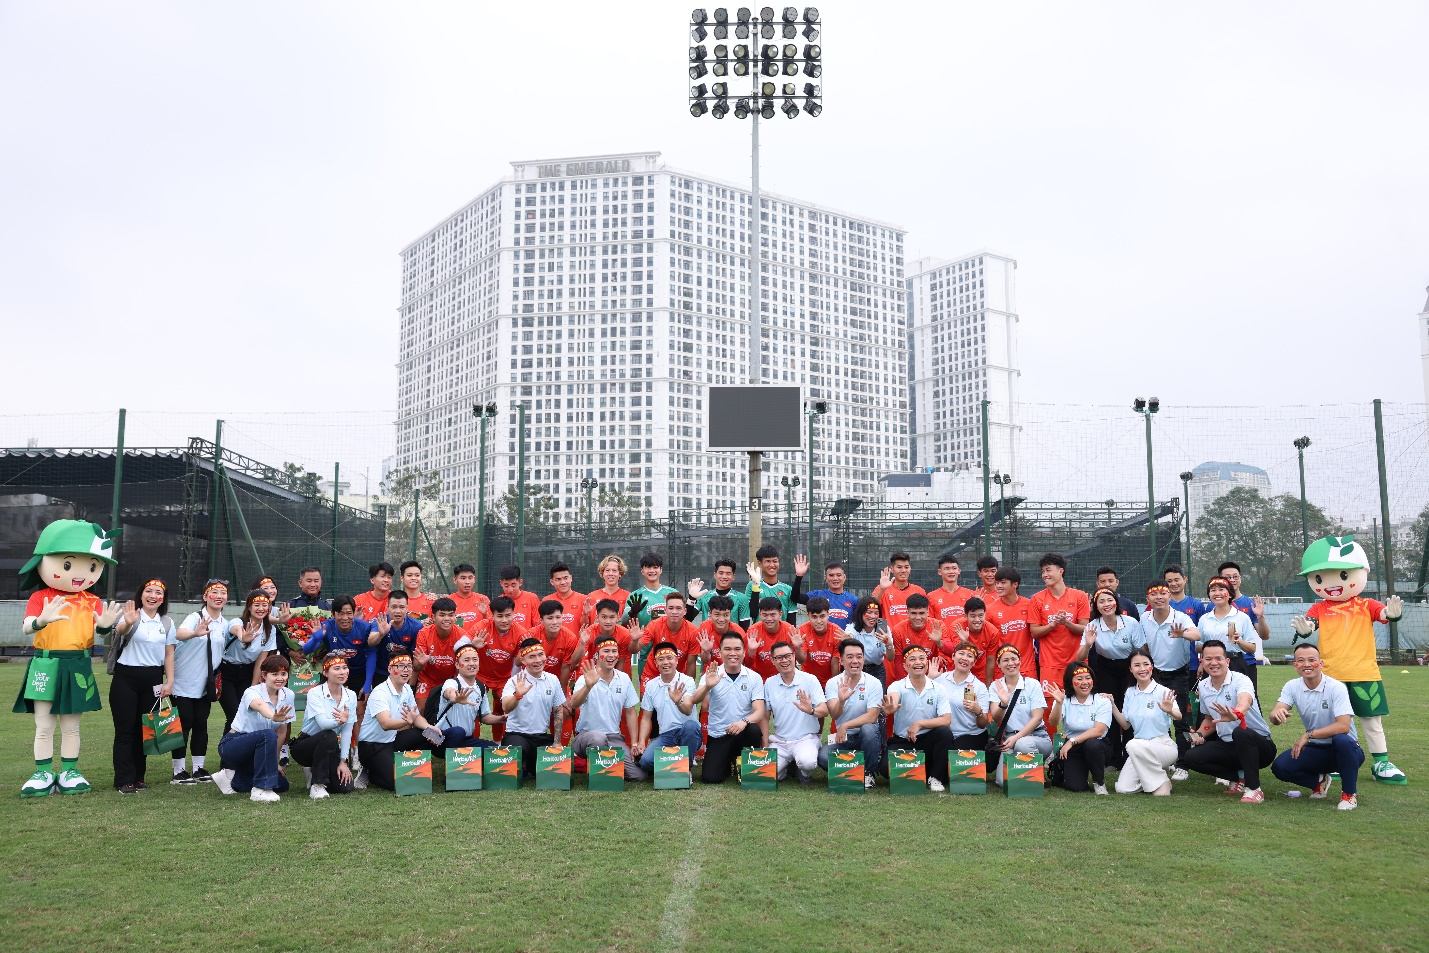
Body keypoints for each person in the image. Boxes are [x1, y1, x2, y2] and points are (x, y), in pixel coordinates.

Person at [1270, 643, 1365, 811]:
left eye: (1311, 660)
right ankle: (1319, 782)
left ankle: (1349, 795)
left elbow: (1344, 726)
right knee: (1280, 767)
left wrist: (1308, 735)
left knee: (1342, 740)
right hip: (1317, 748)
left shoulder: (1336, 687)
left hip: (1346, 750)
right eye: (1301, 660)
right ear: (1295, 665)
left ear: (1321, 664)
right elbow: (1276, 714)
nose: (1306, 664)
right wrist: (1276, 715)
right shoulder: (1292, 686)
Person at [1182, 640, 1276, 803]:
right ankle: (1238, 778)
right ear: (1202, 661)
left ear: (1227, 661)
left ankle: (1254, 789)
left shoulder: (1241, 679)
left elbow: (1245, 700)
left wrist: (1237, 713)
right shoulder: (1203, 686)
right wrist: (1198, 735)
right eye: (1208, 659)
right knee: (1191, 757)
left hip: (1259, 746)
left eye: (1218, 658)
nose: (1213, 663)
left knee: (1240, 732)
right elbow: (1209, 720)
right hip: (1229, 746)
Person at [108, 579, 176, 793]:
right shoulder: (131, 616)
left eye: (158, 592)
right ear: (141, 594)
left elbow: (169, 654)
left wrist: (169, 682)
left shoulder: (167, 623)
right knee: (125, 730)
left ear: (163, 599)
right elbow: (120, 630)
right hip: (126, 678)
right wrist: (128, 622)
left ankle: (138, 777)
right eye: (149, 591)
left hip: (153, 679)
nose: (153, 595)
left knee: (145, 730)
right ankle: (124, 779)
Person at [212, 655, 294, 802]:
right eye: (274, 674)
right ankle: (260, 790)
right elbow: (260, 705)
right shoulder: (252, 691)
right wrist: (273, 716)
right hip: (233, 744)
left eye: (283, 674)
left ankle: (233, 779)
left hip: (260, 750)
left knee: (282, 785)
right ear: (264, 675)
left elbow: (282, 732)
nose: (280, 678)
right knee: (268, 734)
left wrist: (273, 763)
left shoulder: (289, 695)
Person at [691, 630, 767, 784]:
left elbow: (759, 711)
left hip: (743, 732)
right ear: (720, 652)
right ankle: (730, 761)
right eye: (727, 649)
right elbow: (695, 699)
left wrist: (743, 722)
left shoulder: (754, 677)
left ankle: (743, 762)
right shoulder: (712, 674)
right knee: (711, 778)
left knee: (753, 730)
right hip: (719, 734)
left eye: (737, 649)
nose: (733, 653)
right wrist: (707, 686)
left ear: (744, 652)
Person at [171, 579, 227, 784]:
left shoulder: (224, 623)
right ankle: (178, 771)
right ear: (205, 597)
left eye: (223, 592)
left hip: (206, 684)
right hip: (184, 682)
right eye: (214, 592)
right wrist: (195, 632)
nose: (219, 596)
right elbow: (179, 634)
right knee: (184, 724)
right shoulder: (194, 617)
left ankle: (198, 768)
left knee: (201, 724)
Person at [355, 650, 436, 791]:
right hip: (372, 746)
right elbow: (385, 723)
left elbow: (415, 716)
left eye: (409, 666)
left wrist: (430, 728)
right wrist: (407, 722)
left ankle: (409, 764)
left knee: (427, 734)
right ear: (390, 669)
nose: (406, 670)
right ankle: (369, 771)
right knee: (397, 783)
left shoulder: (407, 689)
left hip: (391, 741)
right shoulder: (380, 692)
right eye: (401, 666)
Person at [1138, 580, 1200, 763]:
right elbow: (1143, 645)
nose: (1159, 597)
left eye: (1163, 593)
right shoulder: (1145, 618)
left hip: (1178, 674)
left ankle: (1183, 763)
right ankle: (1165, 759)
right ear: (1147, 598)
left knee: (1181, 720)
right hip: (1155, 675)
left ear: (1170, 596)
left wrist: (1182, 634)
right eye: (1154, 594)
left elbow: (1197, 635)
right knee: (1158, 719)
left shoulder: (1180, 617)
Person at [568, 634, 645, 781]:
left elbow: (630, 712)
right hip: (587, 736)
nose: (611, 655)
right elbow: (574, 704)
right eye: (606, 651)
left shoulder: (624, 678)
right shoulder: (586, 677)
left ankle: (609, 765)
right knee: (598, 738)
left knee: (638, 775)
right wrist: (588, 686)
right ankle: (599, 774)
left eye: (614, 651)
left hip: (613, 737)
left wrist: (634, 743)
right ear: (596, 655)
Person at [1075, 587, 1140, 761]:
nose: (1106, 604)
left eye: (1109, 600)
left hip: (1128, 668)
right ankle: (1113, 757)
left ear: (1116, 602)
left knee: (1128, 708)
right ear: (1096, 606)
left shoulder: (1130, 622)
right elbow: (1079, 658)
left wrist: (1137, 670)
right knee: (1109, 708)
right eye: (1101, 601)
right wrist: (1088, 644)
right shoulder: (1092, 625)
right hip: (1105, 668)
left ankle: (1130, 754)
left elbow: (1140, 650)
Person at [218, 590, 280, 766]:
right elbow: (235, 629)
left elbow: (261, 660)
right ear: (249, 607)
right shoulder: (238, 622)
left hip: (247, 672)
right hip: (226, 672)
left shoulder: (270, 630)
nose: (261, 608)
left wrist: (253, 688)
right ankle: (227, 763)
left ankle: (243, 760)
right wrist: (242, 636)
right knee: (234, 715)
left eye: (264, 605)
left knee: (248, 716)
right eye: (256, 605)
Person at [881, 644, 954, 792]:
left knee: (944, 732)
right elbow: (894, 697)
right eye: (912, 659)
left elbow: (946, 720)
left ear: (927, 663)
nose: (918, 662)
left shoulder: (938, 688)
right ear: (905, 666)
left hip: (928, 740)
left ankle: (935, 777)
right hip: (904, 740)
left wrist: (920, 723)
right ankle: (920, 769)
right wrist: (892, 705)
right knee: (884, 769)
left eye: (922, 658)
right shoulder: (897, 685)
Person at [1110, 648, 1181, 795]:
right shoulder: (1130, 693)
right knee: (1123, 789)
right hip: (1138, 748)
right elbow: (1126, 725)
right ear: (1130, 669)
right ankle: (1160, 777)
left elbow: (1178, 716)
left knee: (1132, 744)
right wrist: (1112, 705)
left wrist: (1169, 711)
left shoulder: (1163, 691)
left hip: (1163, 746)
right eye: (1137, 665)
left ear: (1152, 666)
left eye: (1146, 664)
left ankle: (1162, 779)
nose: (1142, 669)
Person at [819, 638, 885, 787]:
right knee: (823, 758)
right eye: (850, 657)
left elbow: (872, 716)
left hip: (865, 736)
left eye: (859, 656)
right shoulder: (833, 683)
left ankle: (868, 772)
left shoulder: (874, 683)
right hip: (843, 739)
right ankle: (856, 768)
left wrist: (845, 725)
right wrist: (841, 701)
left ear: (863, 659)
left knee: (868, 729)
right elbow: (834, 715)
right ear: (841, 661)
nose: (855, 661)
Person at [762, 639, 828, 785]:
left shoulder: (810, 679)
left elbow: (824, 710)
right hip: (780, 741)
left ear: (794, 656)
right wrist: (765, 744)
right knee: (764, 773)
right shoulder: (769, 683)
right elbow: (765, 717)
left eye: (788, 656)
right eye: (779, 657)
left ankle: (803, 773)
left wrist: (811, 710)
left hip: (805, 739)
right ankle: (785, 769)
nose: (784, 660)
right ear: (773, 660)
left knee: (807, 762)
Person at [292, 654, 356, 799]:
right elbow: (323, 724)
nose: (342, 672)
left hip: (330, 746)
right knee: (329, 734)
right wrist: (340, 721)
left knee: (345, 787)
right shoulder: (315, 692)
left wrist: (343, 761)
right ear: (325, 672)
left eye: (344, 668)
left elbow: (347, 731)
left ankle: (316, 771)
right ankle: (317, 784)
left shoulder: (351, 695)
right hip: (306, 745)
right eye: (336, 669)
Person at [501, 639, 567, 778]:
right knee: (516, 752)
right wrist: (517, 696)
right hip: (517, 735)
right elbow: (506, 707)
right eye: (532, 657)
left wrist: (557, 742)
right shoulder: (515, 681)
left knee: (554, 771)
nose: (538, 660)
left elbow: (558, 710)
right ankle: (523, 763)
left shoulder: (553, 679)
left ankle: (529, 766)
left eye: (541, 655)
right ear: (523, 660)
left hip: (541, 736)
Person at [633, 642, 700, 776]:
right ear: (656, 663)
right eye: (661, 659)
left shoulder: (687, 681)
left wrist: (678, 702)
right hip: (666, 735)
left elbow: (688, 710)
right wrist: (641, 742)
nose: (665, 662)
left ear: (676, 660)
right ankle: (676, 761)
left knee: (691, 726)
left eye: (669, 658)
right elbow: (646, 717)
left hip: (687, 732)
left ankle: (686, 770)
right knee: (645, 761)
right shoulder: (651, 685)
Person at [986, 644, 1053, 772]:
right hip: (1009, 739)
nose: (1010, 663)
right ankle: (1023, 773)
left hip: (1037, 737)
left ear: (1020, 661)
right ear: (998, 664)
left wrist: (1017, 738)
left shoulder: (1032, 684)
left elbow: (1037, 718)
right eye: (1005, 660)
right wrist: (1003, 704)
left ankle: (1035, 778)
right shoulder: (996, 686)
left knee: (1023, 745)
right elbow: (996, 717)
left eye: (1014, 659)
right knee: (1002, 780)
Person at [1029, 553, 1091, 690]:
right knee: (1051, 702)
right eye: (1043, 571)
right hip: (1049, 665)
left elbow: (1085, 629)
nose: (1045, 575)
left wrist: (1067, 623)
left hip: (1076, 663)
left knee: (1078, 700)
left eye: (1048, 570)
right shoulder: (1037, 599)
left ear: (1060, 571)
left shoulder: (1079, 596)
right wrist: (1052, 625)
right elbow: (1034, 632)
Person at [1048, 662, 1112, 794]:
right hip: (1074, 748)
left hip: (1098, 745)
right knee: (1076, 787)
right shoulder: (1064, 699)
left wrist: (1071, 741)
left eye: (1088, 678)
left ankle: (1099, 782)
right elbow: (1054, 722)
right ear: (1071, 682)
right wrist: (1059, 703)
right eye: (1079, 679)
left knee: (1092, 745)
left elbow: (1099, 730)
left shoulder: (1102, 700)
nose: (1085, 682)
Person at [468, 595, 524, 742]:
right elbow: (458, 647)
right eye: (500, 616)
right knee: (472, 706)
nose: (504, 620)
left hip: (505, 677)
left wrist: (511, 683)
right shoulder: (481, 627)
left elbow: (518, 663)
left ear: (514, 614)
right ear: (492, 615)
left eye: (508, 615)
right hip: (481, 675)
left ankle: (499, 743)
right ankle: (472, 744)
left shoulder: (520, 633)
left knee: (504, 708)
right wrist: (472, 645)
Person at [300, 595, 380, 698]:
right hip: (334, 673)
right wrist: (315, 638)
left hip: (358, 673)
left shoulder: (364, 627)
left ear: (354, 612)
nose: (345, 618)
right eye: (340, 614)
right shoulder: (326, 627)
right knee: (331, 705)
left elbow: (371, 653)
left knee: (360, 706)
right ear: (333, 614)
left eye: (349, 613)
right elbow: (306, 650)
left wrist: (368, 683)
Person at [1197, 576, 1262, 700]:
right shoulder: (1204, 619)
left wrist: (1239, 641)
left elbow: (1252, 648)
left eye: (1221, 589)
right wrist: (1214, 646)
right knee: (1212, 701)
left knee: (1239, 701)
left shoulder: (1242, 617)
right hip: (1212, 664)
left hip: (1236, 663)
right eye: (1213, 590)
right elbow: (1198, 647)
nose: (1217, 593)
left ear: (1230, 594)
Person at [432, 645, 504, 750]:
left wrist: (501, 719)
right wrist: (455, 698)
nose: (472, 663)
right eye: (466, 660)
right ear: (457, 665)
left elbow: (484, 716)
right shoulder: (451, 682)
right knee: (458, 731)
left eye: (475, 660)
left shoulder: (480, 687)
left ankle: (463, 754)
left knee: (493, 748)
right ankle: (454, 757)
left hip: (465, 739)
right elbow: (449, 692)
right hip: (440, 737)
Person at [929, 639, 991, 753]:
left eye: (970, 656)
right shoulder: (940, 679)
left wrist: (978, 711)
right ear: (953, 656)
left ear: (974, 662)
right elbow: (924, 704)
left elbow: (982, 724)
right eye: (961, 653)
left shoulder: (979, 686)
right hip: (944, 733)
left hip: (970, 734)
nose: (965, 658)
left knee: (953, 754)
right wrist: (929, 679)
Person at [635, 591, 700, 690]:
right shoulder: (655, 625)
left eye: (678, 608)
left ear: (685, 611)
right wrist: (634, 640)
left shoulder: (693, 632)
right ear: (665, 610)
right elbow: (635, 649)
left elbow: (691, 664)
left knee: (681, 699)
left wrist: (688, 687)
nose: (674, 612)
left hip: (677, 674)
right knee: (645, 699)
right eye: (671, 608)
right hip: (653, 672)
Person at [986, 568, 1037, 680]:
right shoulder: (989, 610)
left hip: (1026, 667)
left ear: (1015, 584)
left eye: (1003, 582)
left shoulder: (1029, 605)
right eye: (997, 583)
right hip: (1002, 668)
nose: (998, 586)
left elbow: (1037, 629)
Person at [413, 597, 464, 706]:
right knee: (421, 709)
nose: (447, 619)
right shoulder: (424, 633)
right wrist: (420, 663)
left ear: (455, 617)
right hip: (427, 679)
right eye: (442, 615)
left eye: (451, 615)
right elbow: (416, 667)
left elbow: (462, 668)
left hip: (451, 680)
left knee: (451, 710)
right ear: (433, 617)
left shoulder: (461, 636)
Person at [886, 593, 944, 683]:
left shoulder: (937, 625)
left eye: (921, 613)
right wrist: (904, 684)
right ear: (907, 613)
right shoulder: (898, 630)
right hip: (910, 679)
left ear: (928, 612)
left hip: (934, 676)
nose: (918, 617)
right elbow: (899, 661)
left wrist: (939, 642)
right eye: (913, 613)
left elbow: (951, 652)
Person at [791, 557, 859, 631]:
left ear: (844, 577)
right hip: (820, 638)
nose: (835, 578)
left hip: (843, 638)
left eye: (839, 575)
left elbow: (859, 623)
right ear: (825, 578)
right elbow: (795, 598)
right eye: (831, 575)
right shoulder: (817, 595)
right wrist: (799, 576)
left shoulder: (853, 600)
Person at [371, 590, 422, 686]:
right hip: (382, 671)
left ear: (407, 608)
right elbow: (371, 642)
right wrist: (380, 634)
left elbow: (416, 658)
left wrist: (411, 685)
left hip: (405, 672)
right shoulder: (380, 621)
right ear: (387, 607)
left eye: (402, 607)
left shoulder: (416, 627)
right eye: (394, 607)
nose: (398, 611)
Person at [745, 596, 799, 681]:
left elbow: (799, 661)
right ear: (760, 614)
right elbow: (747, 664)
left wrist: (798, 647)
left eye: (773, 614)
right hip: (760, 679)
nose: (769, 619)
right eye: (765, 615)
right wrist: (751, 650)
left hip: (784, 678)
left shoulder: (789, 630)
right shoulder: (753, 631)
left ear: (780, 614)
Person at [532, 598, 583, 688]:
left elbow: (565, 668)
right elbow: (521, 663)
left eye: (558, 617)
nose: (555, 622)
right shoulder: (532, 635)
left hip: (557, 681)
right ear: (541, 620)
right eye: (550, 618)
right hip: (534, 680)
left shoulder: (570, 638)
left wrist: (562, 693)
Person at [1215, 561, 1270, 644]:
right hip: (1220, 651)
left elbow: (1265, 636)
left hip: (1245, 652)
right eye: (1227, 577)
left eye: (1235, 577)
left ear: (1240, 579)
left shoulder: (1251, 605)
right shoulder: (1213, 605)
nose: (1232, 580)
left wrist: (1260, 617)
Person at [948, 596, 1000, 683]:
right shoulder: (957, 627)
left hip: (980, 672)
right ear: (965, 616)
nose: (977, 620)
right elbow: (959, 656)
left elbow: (990, 660)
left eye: (980, 615)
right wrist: (964, 642)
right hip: (958, 669)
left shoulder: (993, 632)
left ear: (985, 614)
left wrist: (988, 684)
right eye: (973, 616)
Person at [689, 558, 753, 627]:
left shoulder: (742, 598)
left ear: (733, 577)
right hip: (707, 634)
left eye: (728, 574)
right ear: (715, 575)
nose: (724, 576)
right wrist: (691, 598)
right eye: (721, 573)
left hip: (732, 634)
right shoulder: (704, 597)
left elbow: (744, 629)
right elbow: (688, 618)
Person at [845, 596, 892, 688]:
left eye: (876, 613)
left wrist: (888, 644)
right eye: (869, 612)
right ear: (861, 613)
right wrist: (848, 639)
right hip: (856, 669)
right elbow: (849, 637)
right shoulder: (853, 627)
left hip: (877, 670)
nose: (873, 616)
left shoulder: (883, 628)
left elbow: (891, 658)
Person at [744, 545, 796, 625]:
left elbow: (792, 621)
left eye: (775, 561)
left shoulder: (788, 589)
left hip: (782, 632)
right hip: (760, 632)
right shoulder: (752, 585)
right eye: (768, 561)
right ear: (760, 563)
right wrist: (756, 585)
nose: (772, 565)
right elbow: (752, 614)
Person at [871, 551, 925, 627]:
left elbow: (925, 616)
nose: (903, 570)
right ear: (892, 569)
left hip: (911, 634)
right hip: (888, 633)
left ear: (910, 568)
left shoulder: (919, 591)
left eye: (906, 567)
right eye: (899, 567)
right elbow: (871, 607)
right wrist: (882, 589)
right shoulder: (881, 589)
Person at [624, 553, 677, 627]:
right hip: (644, 634)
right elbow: (623, 622)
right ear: (642, 571)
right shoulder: (635, 596)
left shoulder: (673, 593)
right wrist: (631, 612)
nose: (652, 570)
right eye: (648, 567)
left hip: (670, 634)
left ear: (661, 570)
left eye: (655, 567)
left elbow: (684, 617)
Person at [797, 597, 842, 684]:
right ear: (808, 616)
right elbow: (801, 661)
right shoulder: (803, 631)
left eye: (822, 616)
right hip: (808, 681)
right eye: (814, 617)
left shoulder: (836, 632)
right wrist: (797, 648)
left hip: (829, 680)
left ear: (828, 614)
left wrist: (834, 686)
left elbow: (835, 664)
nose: (818, 621)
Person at [926, 554, 975, 629]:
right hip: (942, 636)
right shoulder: (931, 597)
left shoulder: (971, 594)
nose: (951, 571)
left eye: (954, 568)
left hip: (965, 636)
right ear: (939, 572)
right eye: (947, 568)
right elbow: (929, 623)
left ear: (959, 571)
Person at [581, 555, 630, 627]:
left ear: (620, 573)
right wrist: (585, 614)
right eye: (607, 570)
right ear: (602, 573)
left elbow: (630, 625)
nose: (611, 573)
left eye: (614, 570)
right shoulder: (592, 596)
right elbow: (584, 626)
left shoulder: (628, 596)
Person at [448, 563, 491, 629]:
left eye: (470, 578)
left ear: (474, 579)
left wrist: (484, 614)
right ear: (455, 580)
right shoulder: (448, 601)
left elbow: (491, 624)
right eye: (463, 578)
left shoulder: (483, 599)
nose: (467, 582)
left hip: (478, 635)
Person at [545, 562, 585, 629]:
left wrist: (585, 614)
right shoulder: (546, 601)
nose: (563, 582)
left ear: (571, 578)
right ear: (552, 582)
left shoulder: (584, 599)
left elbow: (589, 626)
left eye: (565, 578)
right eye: (558, 579)